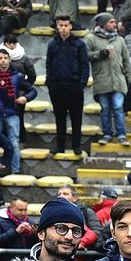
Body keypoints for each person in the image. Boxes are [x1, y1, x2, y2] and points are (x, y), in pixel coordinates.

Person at [44, 16, 90, 156]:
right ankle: (60, 146)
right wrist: (50, 82)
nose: (63, 28)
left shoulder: (79, 44)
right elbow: (49, 64)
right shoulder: (52, 44)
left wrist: (81, 83)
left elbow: (84, 65)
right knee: (60, 118)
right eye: (61, 25)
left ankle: (76, 145)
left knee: (76, 119)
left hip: (74, 87)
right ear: (57, 27)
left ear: (70, 26)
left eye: (66, 25)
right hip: (57, 87)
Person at [85, 13, 131, 146]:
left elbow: (126, 61)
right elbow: (85, 56)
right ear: (103, 24)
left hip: (119, 80)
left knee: (118, 107)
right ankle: (107, 134)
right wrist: (100, 54)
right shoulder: (91, 39)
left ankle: (122, 134)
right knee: (105, 109)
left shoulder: (120, 40)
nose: (114, 24)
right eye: (111, 22)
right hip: (101, 80)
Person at [0, 48, 32, 175]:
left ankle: (15, 172)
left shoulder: (17, 77)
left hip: (13, 114)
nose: (3, 61)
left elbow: (32, 90)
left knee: (14, 143)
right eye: (0, 58)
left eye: (5, 58)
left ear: (10, 60)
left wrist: (25, 98)